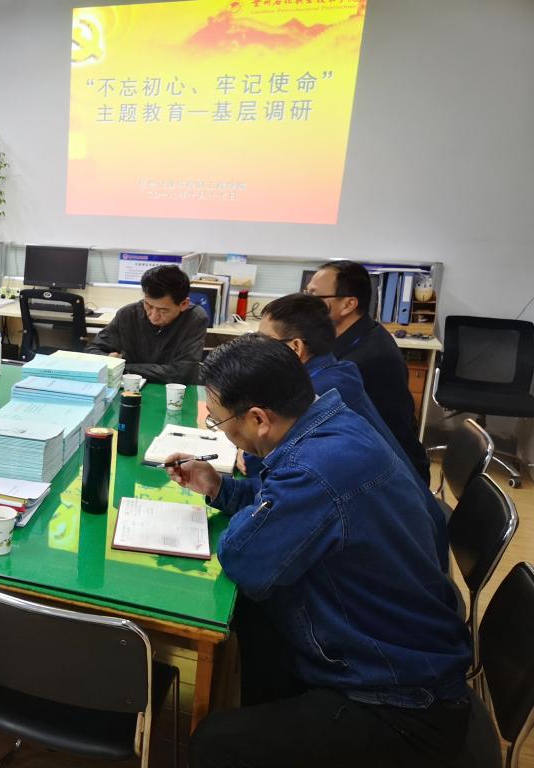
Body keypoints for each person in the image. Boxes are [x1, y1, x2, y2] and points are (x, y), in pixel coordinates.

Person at [165, 335, 470, 768]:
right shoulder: (331, 424)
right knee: (252, 624)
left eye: (219, 421)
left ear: (258, 419)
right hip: (405, 653)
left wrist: (249, 519)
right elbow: (283, 503)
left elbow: (244, 558)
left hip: (399, 703)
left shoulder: (314, 470)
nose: (221, 431)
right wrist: (219, 487)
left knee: (214, 743)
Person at [253, 293, 447, 566]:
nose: (257, 350)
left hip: (409, 555)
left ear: (295, 347)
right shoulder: (333, 370)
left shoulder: (318, 392)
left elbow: (263, 461)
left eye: (263, 341)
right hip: (409, 532)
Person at [305, 260, 430, 484]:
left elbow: (309, 417)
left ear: (348, 304)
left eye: (314, 297)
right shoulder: (361, 333)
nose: (305, 304)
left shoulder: (362, 359)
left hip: (393, 476)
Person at [85, 264, 207, 384]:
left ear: (184, 304)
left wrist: (122, 366)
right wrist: (108, 357)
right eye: (148, 305)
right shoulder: (128, 314)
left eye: (163, 310)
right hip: (130, 386)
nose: (153, 316)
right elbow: (92, 350)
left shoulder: (194, 318)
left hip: (172, 390)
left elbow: (183, 373)